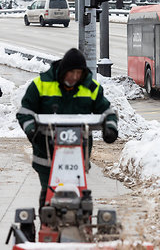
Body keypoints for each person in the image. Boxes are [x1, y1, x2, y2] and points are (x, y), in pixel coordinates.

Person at [16, 48, 118, 208]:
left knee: (77, 193)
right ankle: (48, 221)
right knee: (49, 195)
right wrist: (32, 131)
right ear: (63, 71)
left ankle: (81, 221)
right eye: (72, 73)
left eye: (79, 73)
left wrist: (110, 128)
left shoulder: (91, 88)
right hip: (46, 152)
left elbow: (107, 111)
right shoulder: (41, 84)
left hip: (77, 155)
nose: (75, 77)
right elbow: (25, 112)